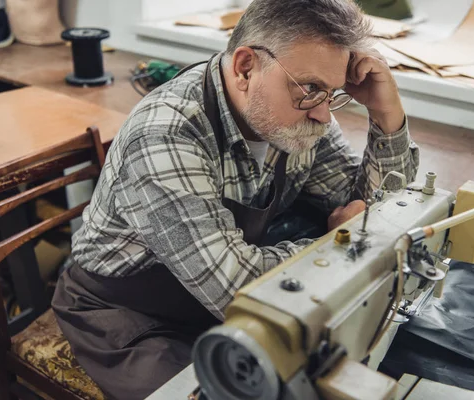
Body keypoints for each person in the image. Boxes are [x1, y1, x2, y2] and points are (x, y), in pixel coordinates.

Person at [52, 0, 419, 398]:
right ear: (245, 67)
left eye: (331, 94)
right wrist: (343, 245)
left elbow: (377, 213)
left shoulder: (301, 114)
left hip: (212, 296)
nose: (324, 116)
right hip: (128, 313)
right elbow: (237, 288)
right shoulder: (165, 134)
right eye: (312, 88)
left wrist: (386, 114)